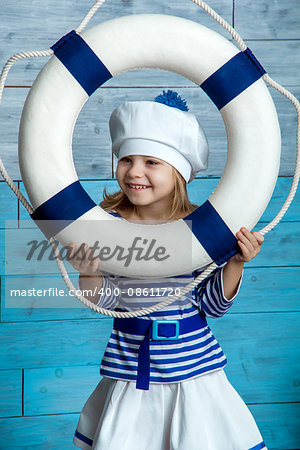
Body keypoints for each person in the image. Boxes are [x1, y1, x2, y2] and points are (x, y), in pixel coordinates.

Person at [70, 91, 266, 450]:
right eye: (126, 159)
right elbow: (111, 300)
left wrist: (235, 262)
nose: (134, 172)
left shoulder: (201, 231)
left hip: (194, 375)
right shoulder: (107, 226)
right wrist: (90, 273)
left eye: (151, 162)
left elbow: (211, 306)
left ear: (179, 172)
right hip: (131, 371)